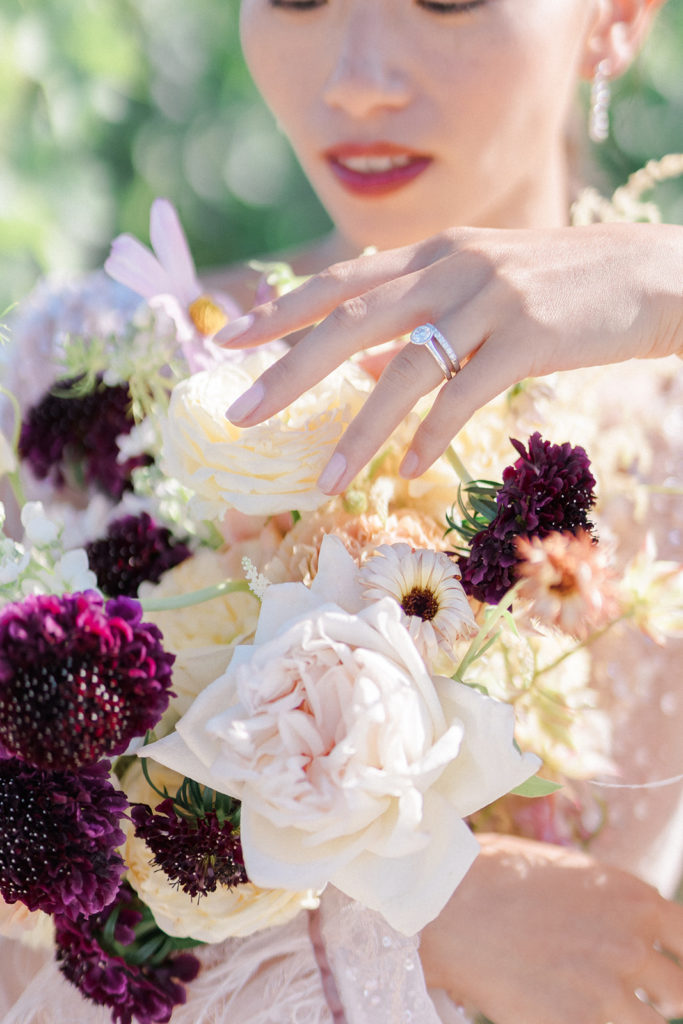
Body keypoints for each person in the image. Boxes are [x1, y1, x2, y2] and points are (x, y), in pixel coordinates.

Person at [1, 2, 681, 1023]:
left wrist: (658, 276)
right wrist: (413, 918)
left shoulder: (666, 426)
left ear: (616, 18)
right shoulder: (90, 384)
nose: (358, 79)